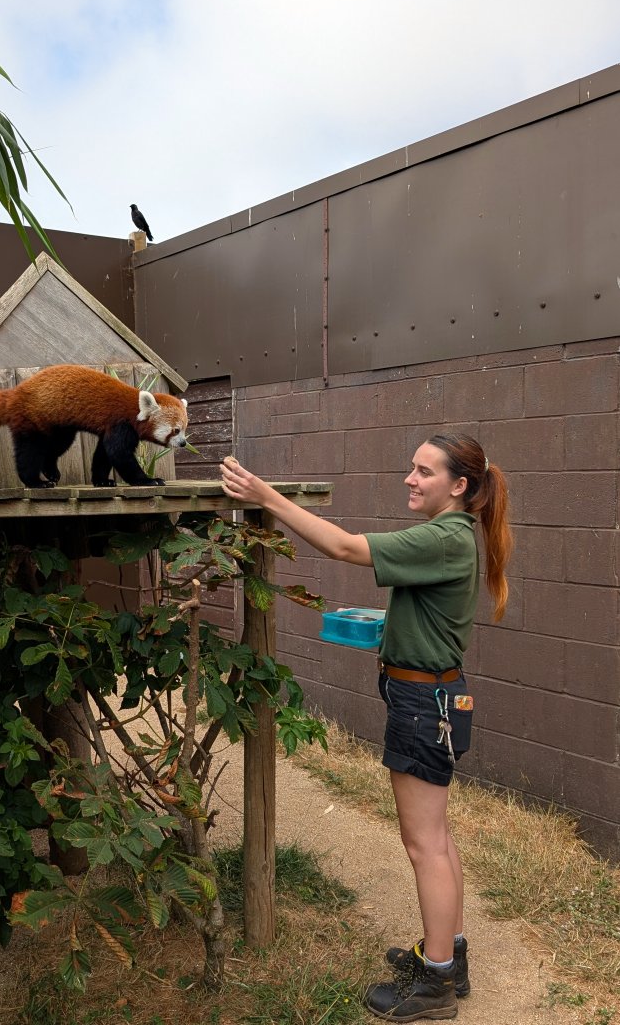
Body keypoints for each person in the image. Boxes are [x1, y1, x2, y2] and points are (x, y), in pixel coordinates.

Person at [221, 434, 512, 1022]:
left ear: (458, 486)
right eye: (411, 467)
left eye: (424, 471)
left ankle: (435, 988)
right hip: (431, 696)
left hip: (423, 703)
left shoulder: (444, 535)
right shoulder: (453, 537)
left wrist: (266, 496)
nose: (410, 478)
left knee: (423, 843)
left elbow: (347, 549)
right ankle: (447, 958)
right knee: (439, 838)